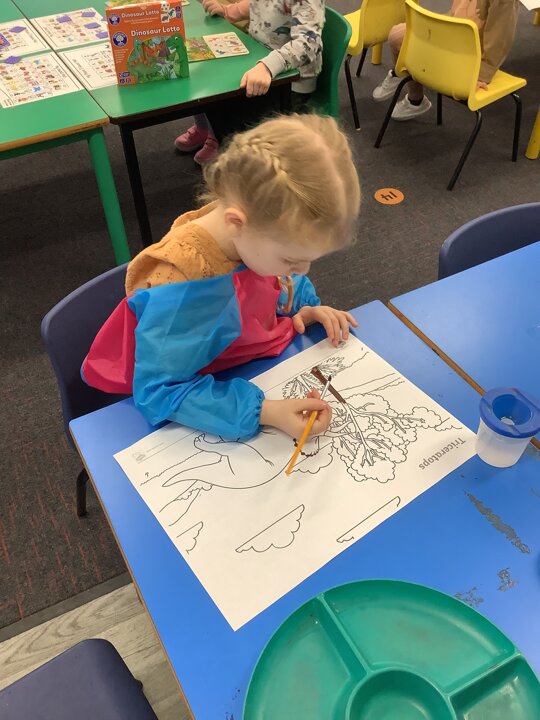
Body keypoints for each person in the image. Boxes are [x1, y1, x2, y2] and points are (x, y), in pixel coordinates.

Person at [83, 114, 361, 443]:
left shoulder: (254, 230)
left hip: (244, 360)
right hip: (190, 394)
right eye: (291, 260)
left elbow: (274, 284)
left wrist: (304, 308)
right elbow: (161, 390)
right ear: (236, 222)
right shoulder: (181, 281)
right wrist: (264, 412)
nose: (303, 271)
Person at [174, 0, 325, 164]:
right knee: (210, 81)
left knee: (224, 107)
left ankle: (229, 149)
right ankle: (218, 136)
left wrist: (268, 67)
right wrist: (228, 11)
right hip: (259, 60)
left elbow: (309, 43)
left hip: (289, 82)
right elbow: (258, 4)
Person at [372, 0, 519, 121]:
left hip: (471, 51)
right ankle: (414, 97)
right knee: (398, 36)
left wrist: (481, 74)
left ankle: (405, 81)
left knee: (410, 44)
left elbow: (500, 39)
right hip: (454, 30)